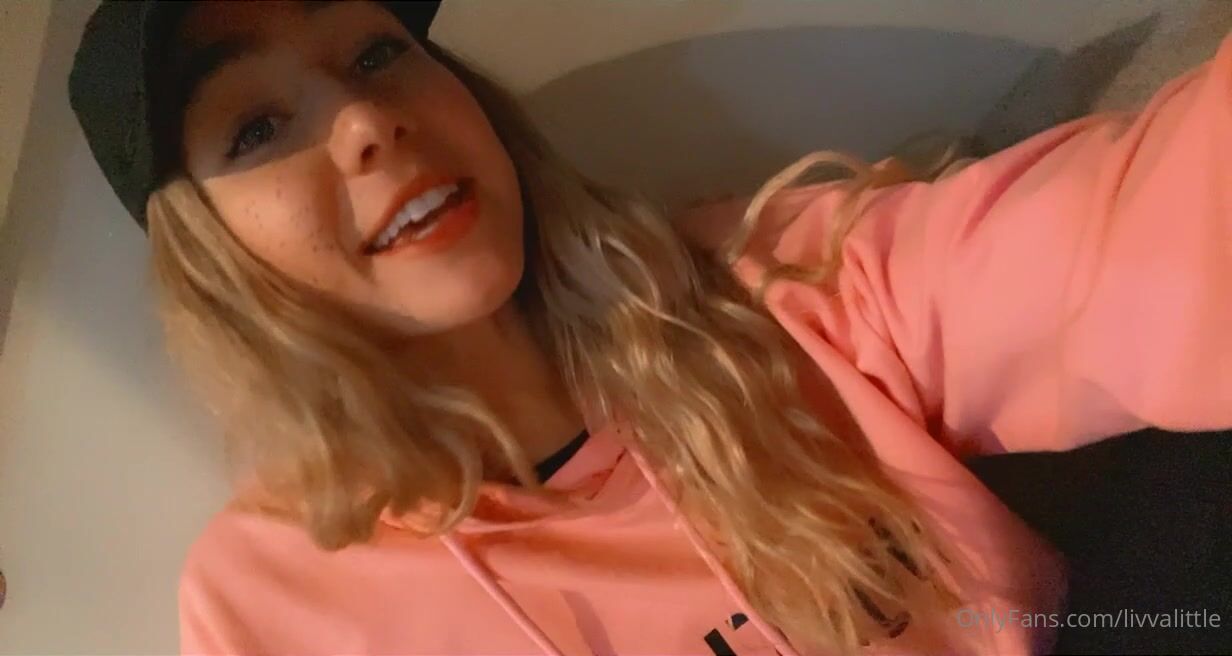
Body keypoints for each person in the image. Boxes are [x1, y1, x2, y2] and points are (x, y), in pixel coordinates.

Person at [68, 1, 1230, 654]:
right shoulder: (271, 597)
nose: (368, 119)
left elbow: (1128, 240)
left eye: (377, 53)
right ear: (212, 258)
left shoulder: (769, 288)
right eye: (257, 126)